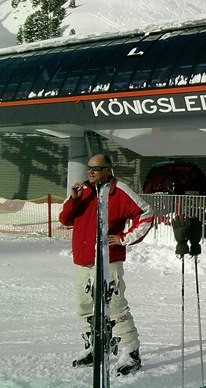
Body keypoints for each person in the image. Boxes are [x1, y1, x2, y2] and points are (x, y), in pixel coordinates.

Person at [59, 154, 154, 375]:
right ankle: (94, 347)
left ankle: (130, 351)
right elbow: (65, 220)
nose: (91, 172)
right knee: (84, 306)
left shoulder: (119, 190)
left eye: (96, 168)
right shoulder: (82, 190)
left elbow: (145, 214)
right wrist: (74, 198)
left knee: (115, 306)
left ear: (108, 169)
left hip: (108, 260)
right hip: (83, 260)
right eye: (89, 168)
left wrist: (124, 238)